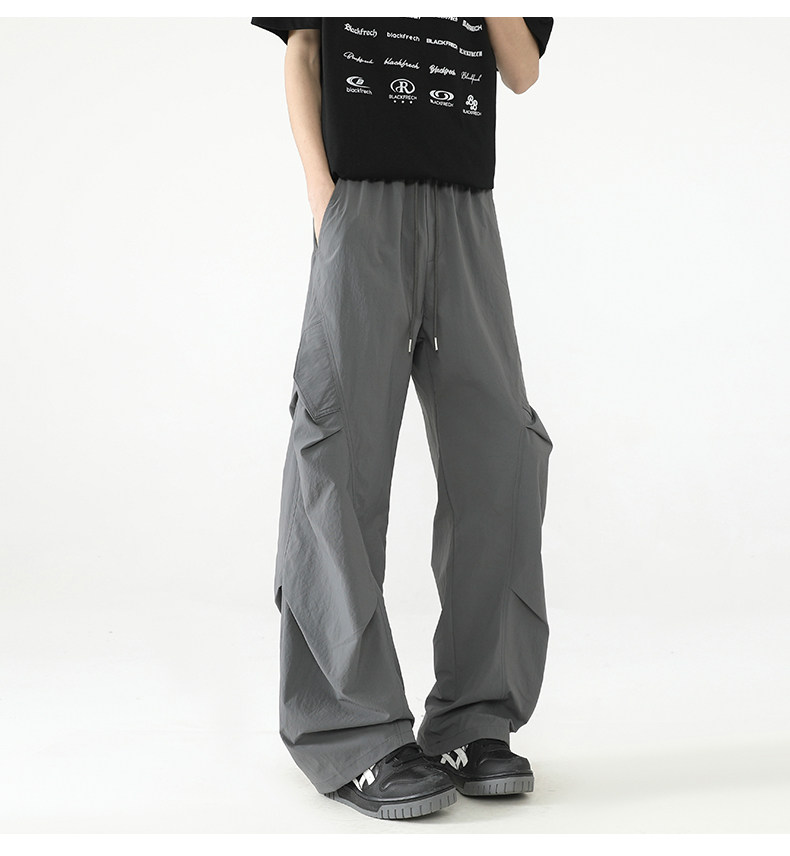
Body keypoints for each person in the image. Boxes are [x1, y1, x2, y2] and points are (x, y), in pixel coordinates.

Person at [250, 16, 555, 820]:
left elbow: (521, 70)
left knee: (499, 452)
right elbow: (303, 47)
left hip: (465, 210)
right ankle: (354, 735)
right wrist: (323, 196)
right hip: (360, 202)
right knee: (337, 449)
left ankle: (474, 718)